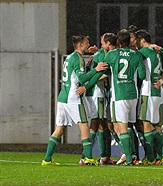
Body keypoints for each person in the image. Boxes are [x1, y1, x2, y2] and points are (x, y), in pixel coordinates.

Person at [41, 35, 108, 166]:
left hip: (63, 97)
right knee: (84, 125)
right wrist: (96, 69)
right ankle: (88, 157)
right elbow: (82, 79)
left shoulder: (70, 57)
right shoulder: (78, 58)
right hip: (73, 97)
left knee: (59, 129)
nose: (88, 44)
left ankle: (47, 159)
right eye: (86, 42)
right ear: (80, 45)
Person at [102, 29, 145, 165]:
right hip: (133, 94)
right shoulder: (137, 55)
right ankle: (133, 154)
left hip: (119, 95)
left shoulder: (112, 54)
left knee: (121, 127)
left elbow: (102, 69)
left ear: (118, 41)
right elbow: (142, 76)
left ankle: (129, 158)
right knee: (129, 126)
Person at [77, 33, 118, 165]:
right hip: (97, 93)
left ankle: (104, 157)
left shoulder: (97, 55)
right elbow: (101, 75)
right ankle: (85, 156)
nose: (99, 45)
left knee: (101, 124)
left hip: (94, 93)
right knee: (97, 123)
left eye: (101, 43)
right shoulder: (101, 56)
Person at [135, 29, 163, 165]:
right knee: (156, 126)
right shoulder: (157, 53)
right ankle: (160, 156)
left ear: (142, 40)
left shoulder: (144, 52)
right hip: (157, 92)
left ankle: (151, 157)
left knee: (146, 124)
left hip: (148, 91)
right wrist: (160, 81)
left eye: (137, 40)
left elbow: (133, 58)